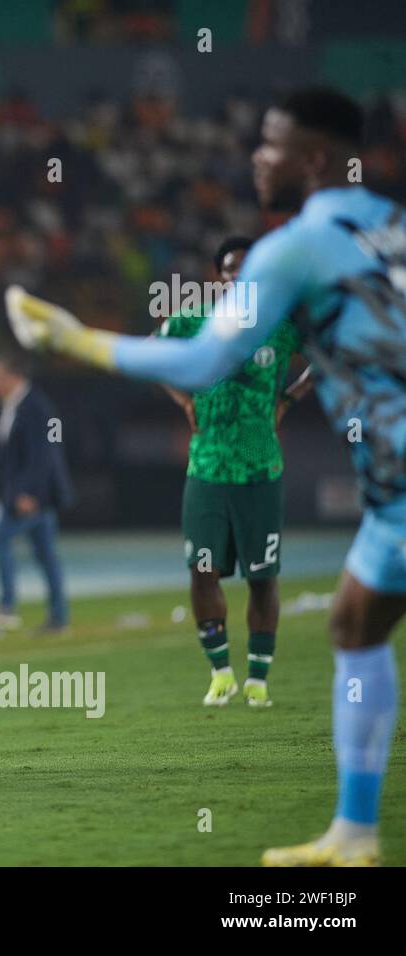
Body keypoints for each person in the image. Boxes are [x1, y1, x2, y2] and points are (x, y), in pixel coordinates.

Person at [6, 88, 403, 866]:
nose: (258, 156)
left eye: (272, 143)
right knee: (355, 621)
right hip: (391, 502)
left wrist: (81, 341)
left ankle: (355, 830)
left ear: (314, 159)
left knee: (344, 617)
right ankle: (355, 833)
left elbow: (201, 360)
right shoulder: (391, 226)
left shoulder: (295, 246)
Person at [156, 237, 314, 706]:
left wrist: (288, 398)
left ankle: (259, 679)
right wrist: (182, 398)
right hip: (206, 470)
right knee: (202, 571)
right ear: (218, 277)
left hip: (260, 470)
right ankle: (221, 673)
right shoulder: (195, 319)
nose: (237, 276)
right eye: (229, 269)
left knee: (262, 577)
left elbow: (328, 356)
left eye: (247, 268)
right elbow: (154, 351)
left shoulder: (282, 325)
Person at [0, 352, 73, 634]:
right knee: (46, 555)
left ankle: (7, 606)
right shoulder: (15, 405)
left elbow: (43, 455)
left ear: (12, 377)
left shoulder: (34, 406)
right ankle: (58, 617)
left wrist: (29, 494)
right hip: (29, 496)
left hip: (32, 498)